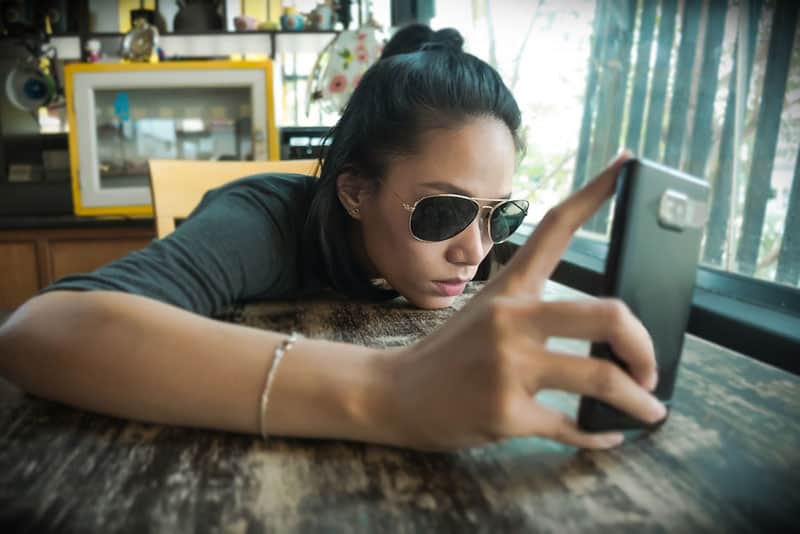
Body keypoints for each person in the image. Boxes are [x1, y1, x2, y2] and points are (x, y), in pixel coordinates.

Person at [0, 27, 665, 452]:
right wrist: (388, 391)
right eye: (443, 212)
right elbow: (40, 331)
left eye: (500, 217)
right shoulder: (259, 224)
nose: (474, 251)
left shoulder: (464, 255)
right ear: (355, 191)